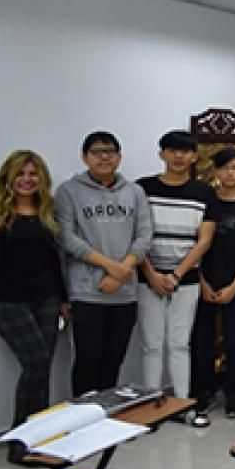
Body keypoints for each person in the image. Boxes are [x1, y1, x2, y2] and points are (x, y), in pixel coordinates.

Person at [0, 150, 66, 464]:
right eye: (21, 174)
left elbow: (55, 260)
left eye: (33, 174)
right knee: (36, 364)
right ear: (9, 178)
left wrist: (63, 301)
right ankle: (21, 444)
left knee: (41, 368)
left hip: (47, 298)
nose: (27, 180)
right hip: (8, 300)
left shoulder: (48, 210)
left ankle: (37, 439)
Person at [55, 131, 152, 397]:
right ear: (85, 157)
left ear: (119, 158)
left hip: (124, 294)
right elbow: (66, 238)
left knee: (113, 362)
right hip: (87, 292)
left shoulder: (135, 192)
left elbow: (144, 236)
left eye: (110, 151)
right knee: (87, 362)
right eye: (97, 152)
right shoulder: (68, 192)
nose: (104, 157)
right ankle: (84, 423)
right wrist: (112, 266)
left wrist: (123, 271)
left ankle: (106, 421)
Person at [135, 131, 218, 401]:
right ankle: (152, 402)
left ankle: (181, 402)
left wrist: (175, 275)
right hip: (148, 277)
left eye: (185, 151)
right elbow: (135, 235)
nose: (179, 156)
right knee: (152, 345)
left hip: (187, 278)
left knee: (180, 344)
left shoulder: (204, 192)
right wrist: (151, 274)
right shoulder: (142, 188)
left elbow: (204, 240)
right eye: (172, 150)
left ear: (194, 156)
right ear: (161, 154)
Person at [192, 148, 235, 423]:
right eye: (223, 168)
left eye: (234, 168)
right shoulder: (205, 202)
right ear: (215, 172)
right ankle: (203, 393)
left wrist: (234, 285)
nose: (229, 174)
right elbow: (194, 246)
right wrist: (202, 282)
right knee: (202, 341)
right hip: (203, 282)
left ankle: (234, 395)